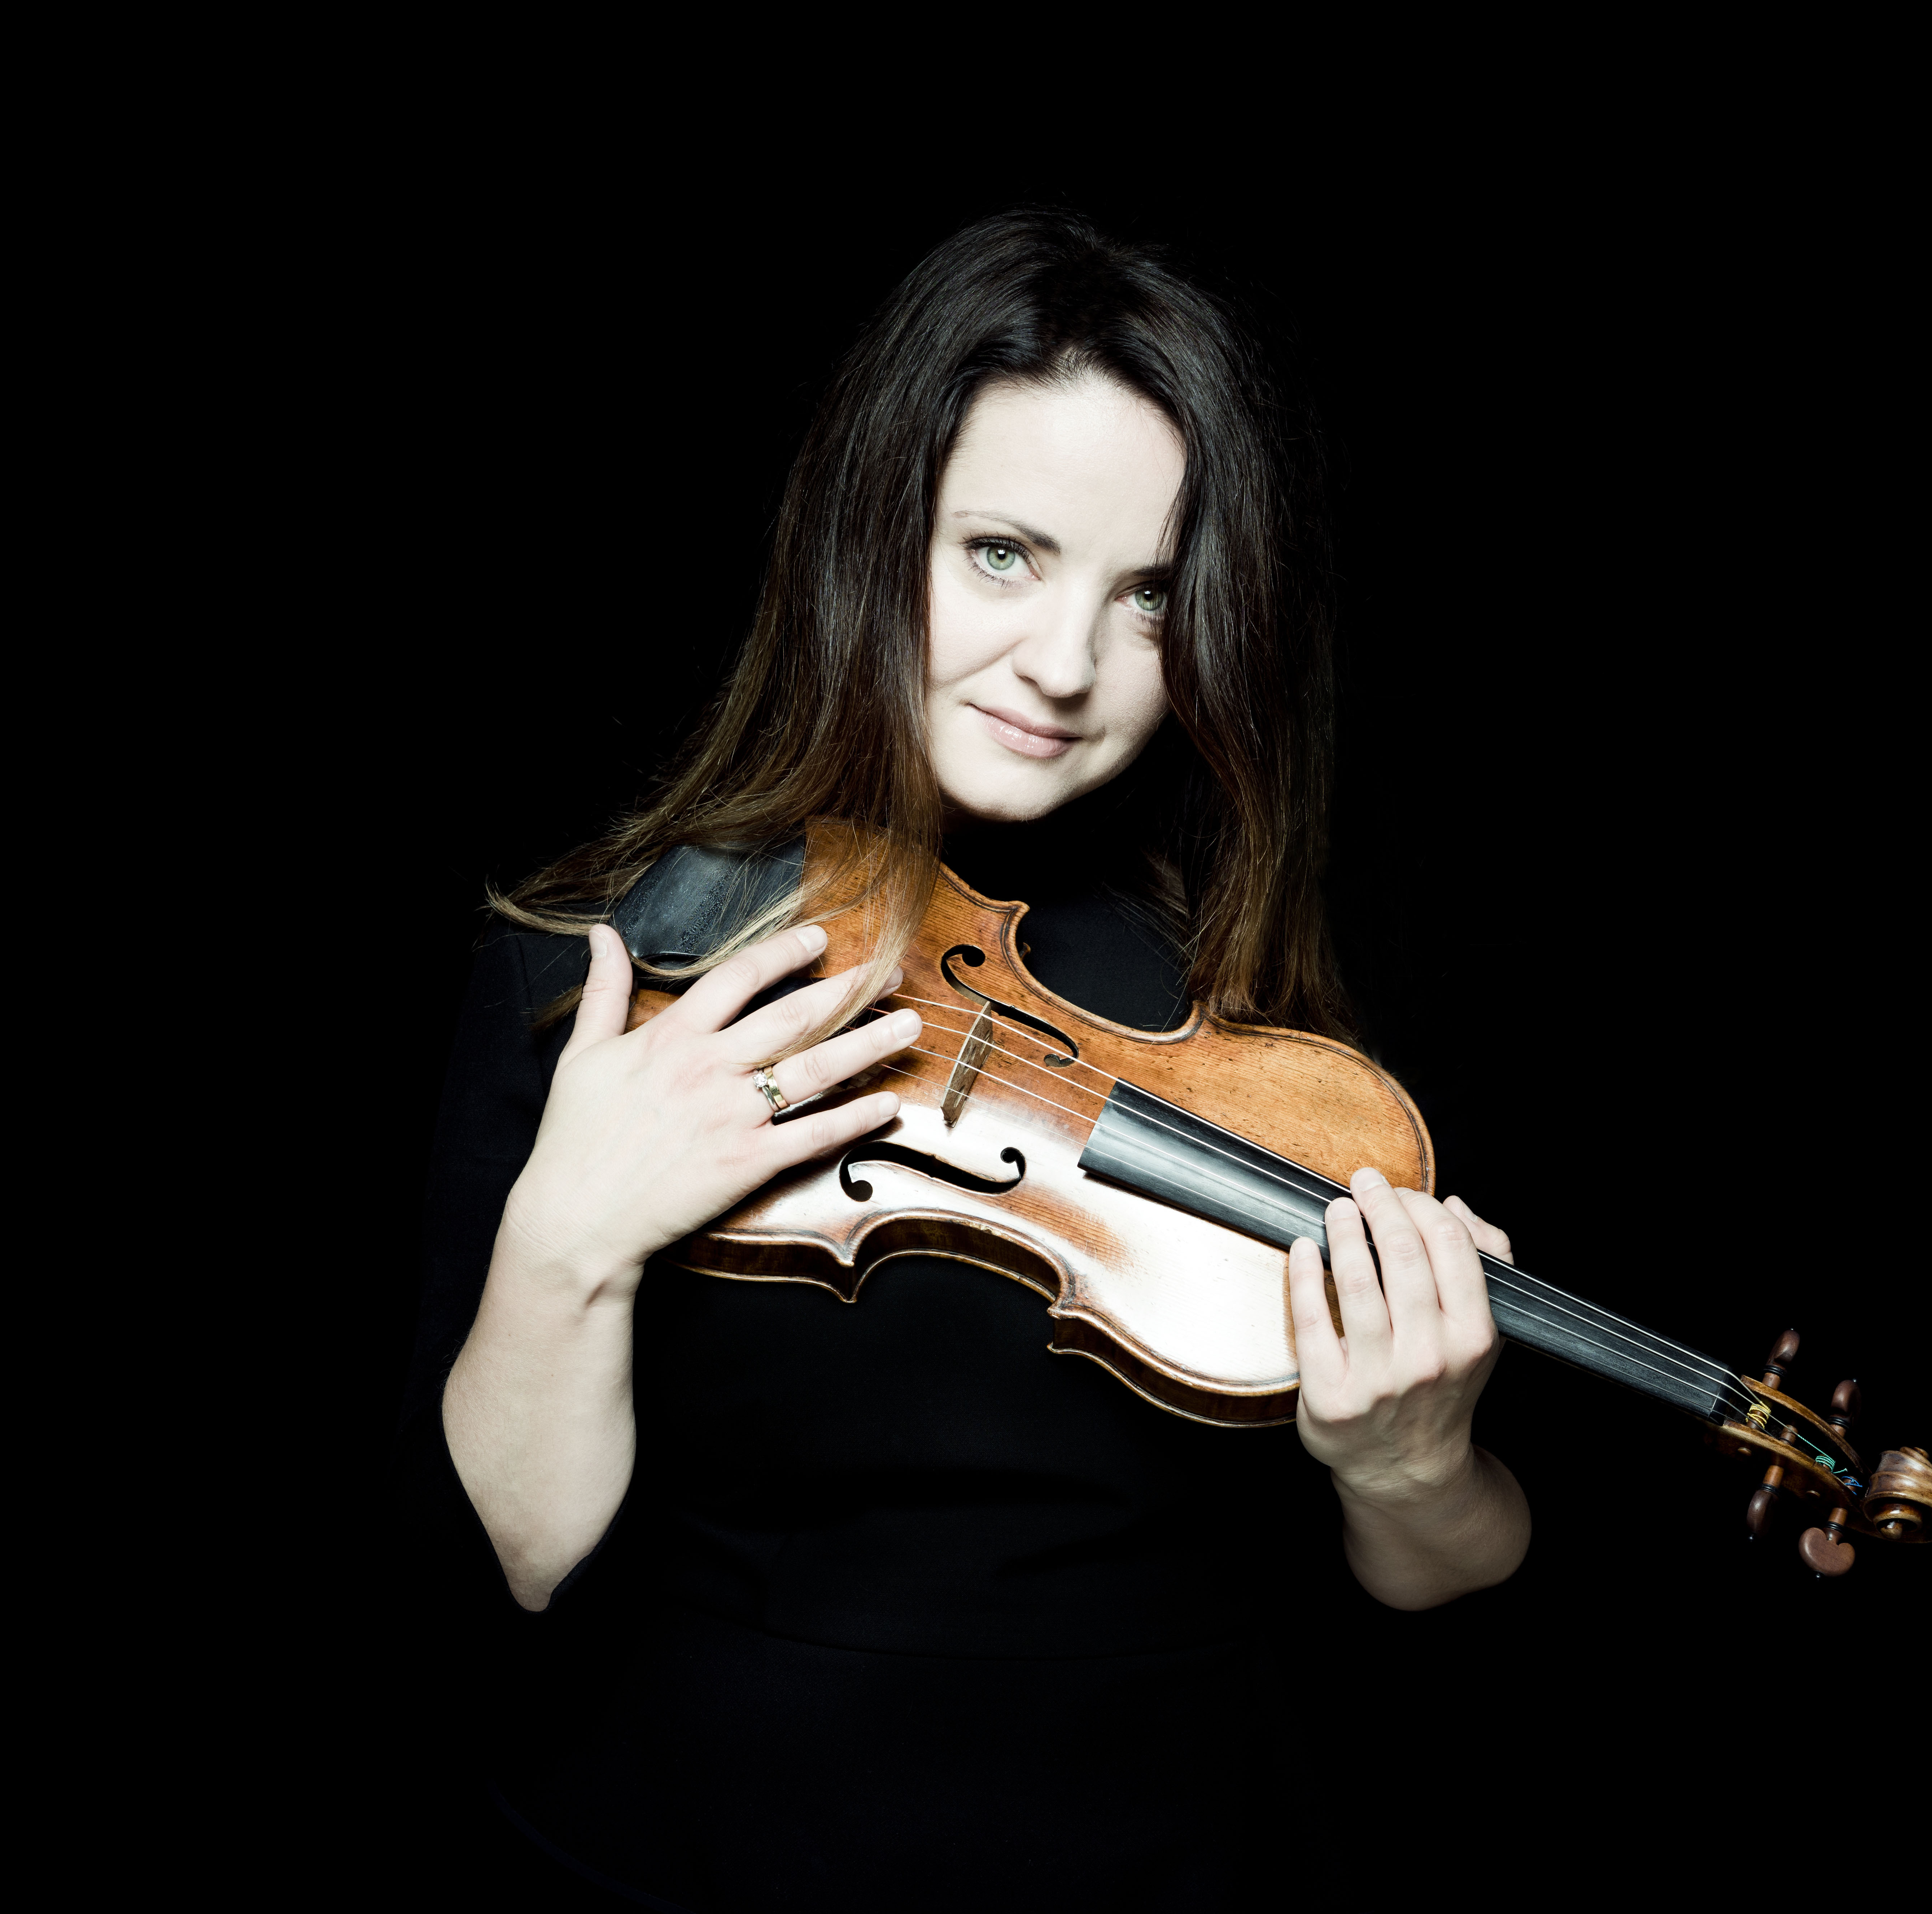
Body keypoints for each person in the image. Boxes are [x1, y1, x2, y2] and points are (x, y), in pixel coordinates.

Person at [399, 209, 1531, 1909]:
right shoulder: (614, 967)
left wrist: (1410, 1466)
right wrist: (569, 1239)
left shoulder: (1268, 1014)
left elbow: (1442, 1584)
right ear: (871, 534)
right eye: (1001, 553)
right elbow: (523, 1565)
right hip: (688, 1862)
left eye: (1148, 595)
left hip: (1167, 1869)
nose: (1067, 668)